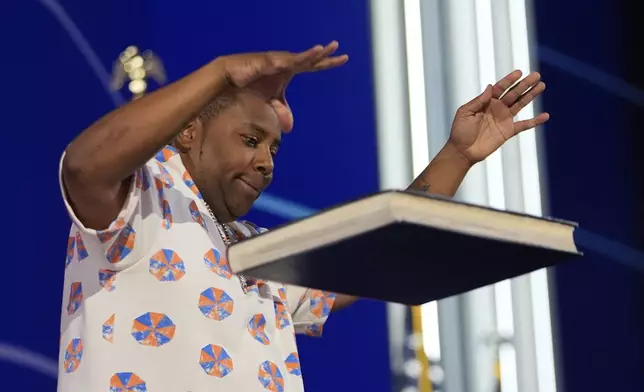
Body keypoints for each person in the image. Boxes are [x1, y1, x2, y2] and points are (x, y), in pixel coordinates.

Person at [57, 41, 548, 392]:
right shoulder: (141, 198)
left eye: (273, 148)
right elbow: (84, 166)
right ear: (189, 133)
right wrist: (224, 74)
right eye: (250, 140)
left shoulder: (255, 250)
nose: (267, 161)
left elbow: (362, 263)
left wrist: (457, 156)